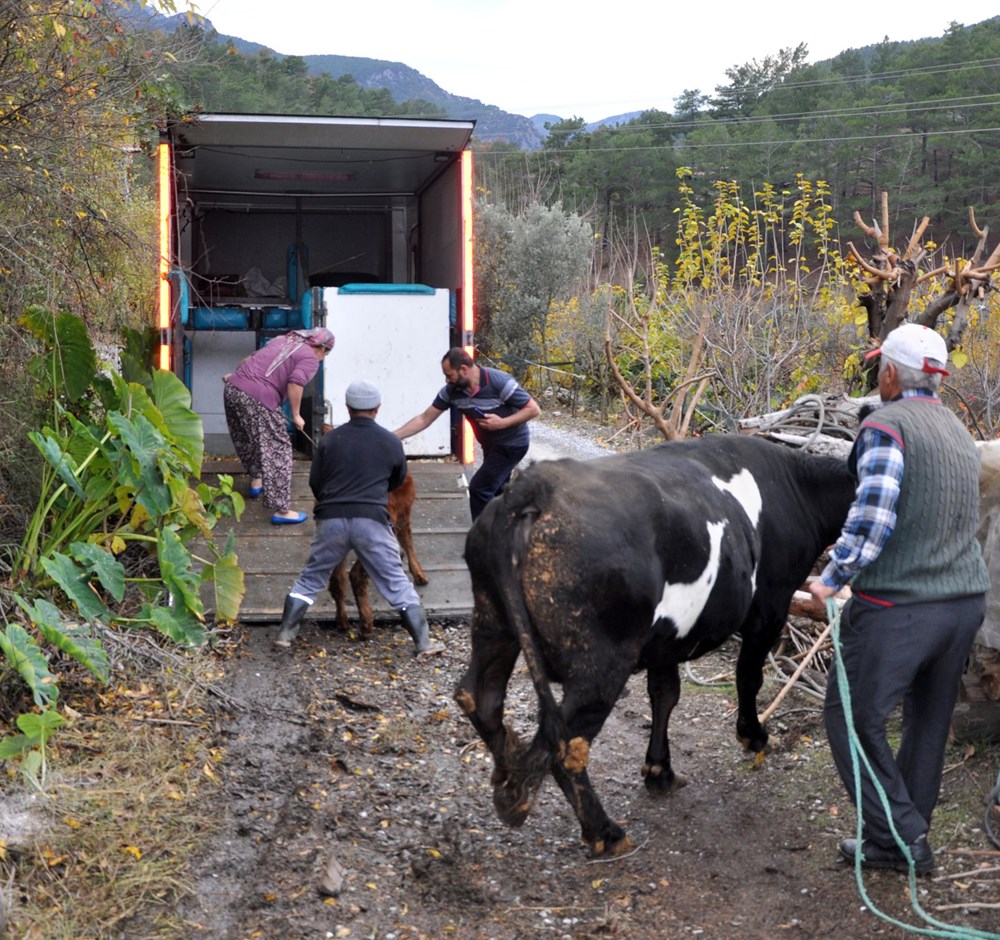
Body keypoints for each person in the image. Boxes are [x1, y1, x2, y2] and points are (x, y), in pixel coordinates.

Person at [809, 322, 989, 875]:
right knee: (927, 722)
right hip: (964, 602)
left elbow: (873, 520)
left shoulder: (886, 426)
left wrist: (833, 578)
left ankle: (904, 834)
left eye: (877, 367)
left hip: (900, 606)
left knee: (852, 718)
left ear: (889, 372)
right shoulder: (956, 430)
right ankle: (892, 844)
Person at [274, 380, 444, 657]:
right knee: (397, 583)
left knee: (309, 581)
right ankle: (424, 643)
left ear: (348, 408)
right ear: (377, 409)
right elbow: (398, 480)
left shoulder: (329, 441)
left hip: (332, 521)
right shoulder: (390, 441)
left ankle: (285, 635)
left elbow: (316, 482)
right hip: (372, 522)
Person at [394, 348, 540, 521]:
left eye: (449, 375)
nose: (446, 380)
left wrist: (502, 422)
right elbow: (424, 419)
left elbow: (533, 409)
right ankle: (511, 531)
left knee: (479, 489)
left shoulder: (499, 382)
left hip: (512, 444)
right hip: (491, 446)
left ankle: (480, 541)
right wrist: (392, 437)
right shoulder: (451, 392)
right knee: (499, 492)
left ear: (463, 369)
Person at [223, 326, 334, 525]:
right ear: (322, 349)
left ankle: (257, 480)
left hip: (233, 389)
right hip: (258, 397)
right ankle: (282, 510)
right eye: (326, 353)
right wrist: (297, 414)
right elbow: (295, 382)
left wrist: (236, 376)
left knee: (248, 438)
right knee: (279, 449)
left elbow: (249, 360)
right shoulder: (310, 358)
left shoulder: (283, 340)